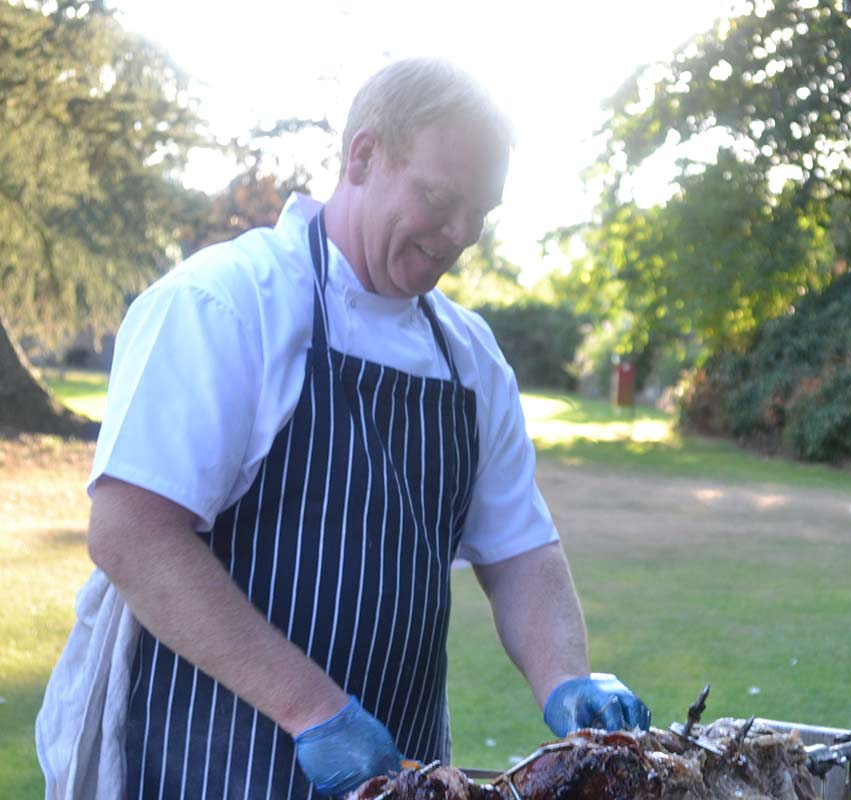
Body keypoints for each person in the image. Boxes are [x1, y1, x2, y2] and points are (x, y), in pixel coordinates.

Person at [36, 58, 649, 799]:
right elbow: (132, 533)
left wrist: (567, 682)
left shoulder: (470, 358)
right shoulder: (226, 305)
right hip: (211, 768)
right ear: (363, 157)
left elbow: (520, 551)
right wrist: (316, 712)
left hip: (404, 775)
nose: (460, 234)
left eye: (480, 214)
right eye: (440, 199)